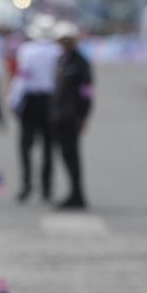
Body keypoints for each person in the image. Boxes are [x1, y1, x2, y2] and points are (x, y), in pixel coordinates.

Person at [12, 16, 61, 203]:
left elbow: (22, 78)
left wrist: (14, 101)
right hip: (50, 100)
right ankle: (47, 187)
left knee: (26, 146)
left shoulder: (26, 50)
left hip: (31, 100)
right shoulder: (57, 51)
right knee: (49, 146)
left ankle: (26, 186)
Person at [49, 21, 94, 210]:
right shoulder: (61, 60)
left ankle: (78, 195)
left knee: (72, 157)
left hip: (72, 115)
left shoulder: (81, 63)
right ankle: (73, 193)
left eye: (68, 40)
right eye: (62, 40)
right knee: (65, 156)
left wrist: (83, 116)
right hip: (59, 114)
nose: (65, 43)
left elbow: (87, 92)